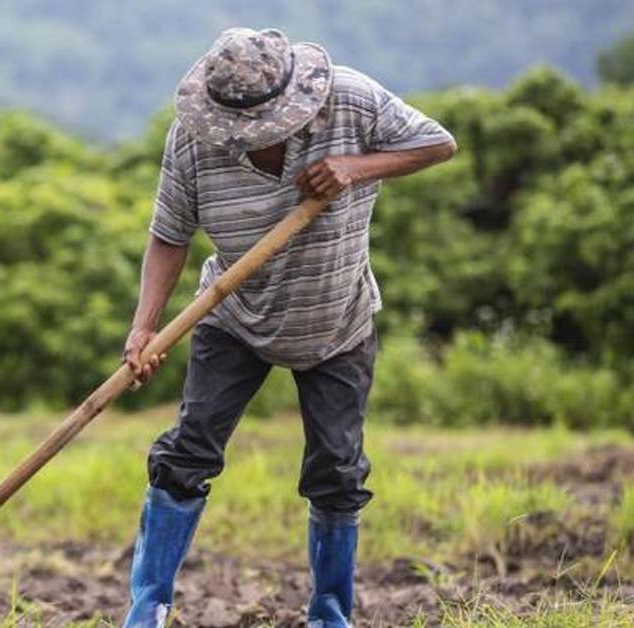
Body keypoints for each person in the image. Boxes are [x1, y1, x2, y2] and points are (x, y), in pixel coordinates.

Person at [121, 27, 457, 628]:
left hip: (337, 319)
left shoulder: (351, 100)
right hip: (233, 317)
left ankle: (330, 615)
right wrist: (143, 330)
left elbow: (438, 144)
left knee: (336, 469)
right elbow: (169, 236)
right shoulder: (194, 142)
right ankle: (147, 610)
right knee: (186, 455)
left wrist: (357, 167)